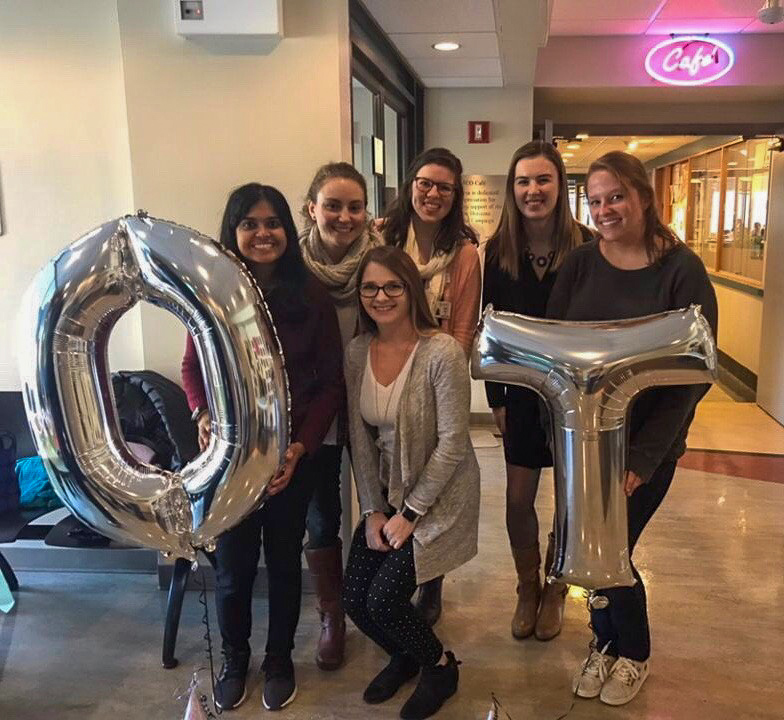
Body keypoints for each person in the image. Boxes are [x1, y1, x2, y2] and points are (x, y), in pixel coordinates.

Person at [546, 151, 718, 707]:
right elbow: (556, 352)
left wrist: (644, 458)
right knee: (587, 553)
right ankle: (604, 643)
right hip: (581, 443)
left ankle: (634, 653)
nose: (605, 210)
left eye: (616, 197)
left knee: (612, 551)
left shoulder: (681, 269)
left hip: (644, 449)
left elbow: (693, 376)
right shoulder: (579, 264)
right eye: (595, 201)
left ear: (644, 197)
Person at [181, 183, 344, 711]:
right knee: (232, 569)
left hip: (289, 461)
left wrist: (301, 447)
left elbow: (330, 384)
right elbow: (191, 367)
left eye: (272, 222)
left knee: (283, 563)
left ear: (288, 230)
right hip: (229, 463)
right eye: (249, 224)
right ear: (232, 232)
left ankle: (278, 659)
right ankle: (235, 659)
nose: (262, 233)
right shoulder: (210, 295)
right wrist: (201, 413)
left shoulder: (312, 295)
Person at [342, 246, 480, 720]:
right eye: (370, 288)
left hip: (439, 498)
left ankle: (440, 668)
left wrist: (410, 513)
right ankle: (405, 655)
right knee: (355, 600)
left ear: (411, 291)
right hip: (388, 495)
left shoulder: (441, 352)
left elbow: (453, 443)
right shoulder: (357, 352)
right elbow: (359, 438)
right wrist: (372, 510)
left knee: (385, 599)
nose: (380, 297)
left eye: (392, 286)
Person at [483, 140, 592, 642]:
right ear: (512, 189)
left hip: (576, 394)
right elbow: (493, 332)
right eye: (523, 181)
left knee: (570, 500)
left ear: (560, 186)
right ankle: (527, 586)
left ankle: (556, 585)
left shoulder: (589, 247)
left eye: (543, 179)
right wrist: (497, 400)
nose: (533, 190)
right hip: (523, 392)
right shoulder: (497, 251)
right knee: (518, 499)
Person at [380, 147, 481, 624]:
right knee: (387, 478)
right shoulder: (383, 238)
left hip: (434, 380)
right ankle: (389, 570)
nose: (433, 194)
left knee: (429, 482)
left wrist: (440, 383)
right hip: (384, 371)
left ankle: (430, 578)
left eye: (445, 187)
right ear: (410, 185)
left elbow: (462, 329)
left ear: (455, 195)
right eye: (425, 183)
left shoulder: (464, 255)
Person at [298, 162, 380, 670]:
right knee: (323, 514)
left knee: (384, 503)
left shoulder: (381, 263)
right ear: (312, 209)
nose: (344, 217)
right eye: (333, 205)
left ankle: (384, 603)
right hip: (317, 411)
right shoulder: (292, 268)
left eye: (354, 207)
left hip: (374, 402)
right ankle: (332, 615)